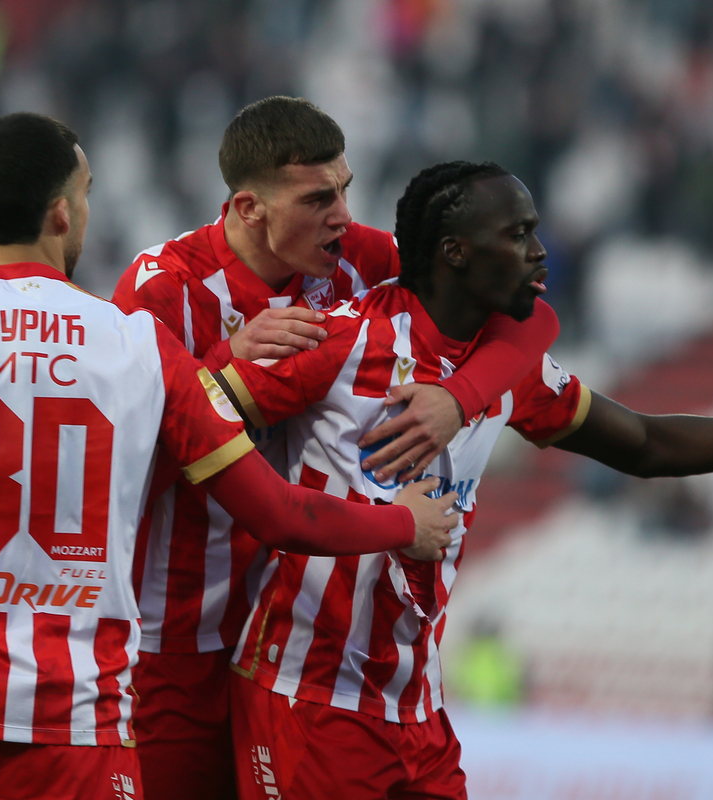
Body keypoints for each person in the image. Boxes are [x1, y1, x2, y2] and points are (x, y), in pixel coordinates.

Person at [0, 113, 457, 800]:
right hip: (78, 716)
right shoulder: (139, 351)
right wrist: (402, 525)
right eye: (86, 195)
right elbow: (280, 513)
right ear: (60, 214)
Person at [212, 161, 713, 799]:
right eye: (517, 235)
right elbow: (194, 421)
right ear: (455, 251)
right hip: (304, 697)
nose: (540, 252)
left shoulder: (507, 374)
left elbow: (646, 441)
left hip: (415, 714)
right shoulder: (336, 341)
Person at [112, 96, 554, 799]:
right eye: (320, 198)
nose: (343, 214)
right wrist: (221, 374)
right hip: (178, 640)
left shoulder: (361, 259)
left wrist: (460, 398)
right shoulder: (163, 291)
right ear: (249, 208)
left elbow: (529, 314)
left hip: (294, 641)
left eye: (345, 189)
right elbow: (119, 464)